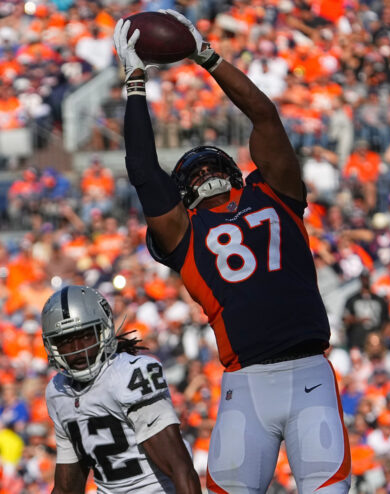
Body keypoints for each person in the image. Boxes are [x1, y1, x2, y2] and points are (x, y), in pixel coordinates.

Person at [114, 11, 350, 493]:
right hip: (246, 384)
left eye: (209, 166)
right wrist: (134, 82)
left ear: (236, 172)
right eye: (192, 174)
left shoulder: (276, 193)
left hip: (309, 372)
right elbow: (142, 168)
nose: (202, 174)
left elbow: (264, 115)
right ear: (182, 195)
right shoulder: (184, 232)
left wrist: (209, 57)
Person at [42, 285, 200, 494]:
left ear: (104, 331)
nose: (77, 348)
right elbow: (67, 488)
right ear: (52, 346)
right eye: (65, 340)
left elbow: (181, 469)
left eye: (86, 335)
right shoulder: (58, 392)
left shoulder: (128, 374)